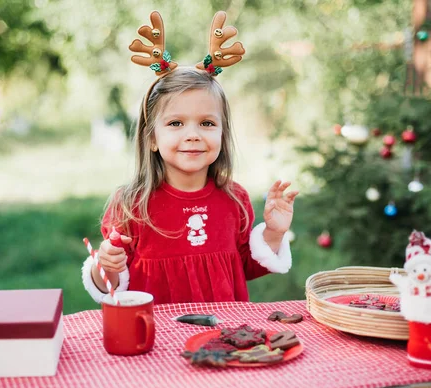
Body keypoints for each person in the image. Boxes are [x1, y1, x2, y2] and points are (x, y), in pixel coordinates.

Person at [82, 11, 298, 304]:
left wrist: (273, 232)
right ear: (152, 138)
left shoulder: (235, 200)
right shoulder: (131, 206)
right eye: (175, 123)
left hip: (223, 337)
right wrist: (105, 266)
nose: (193, 135)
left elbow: (244, 268)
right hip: (157, 339)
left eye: (207, 123)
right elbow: (113, 286)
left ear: (223, 133)